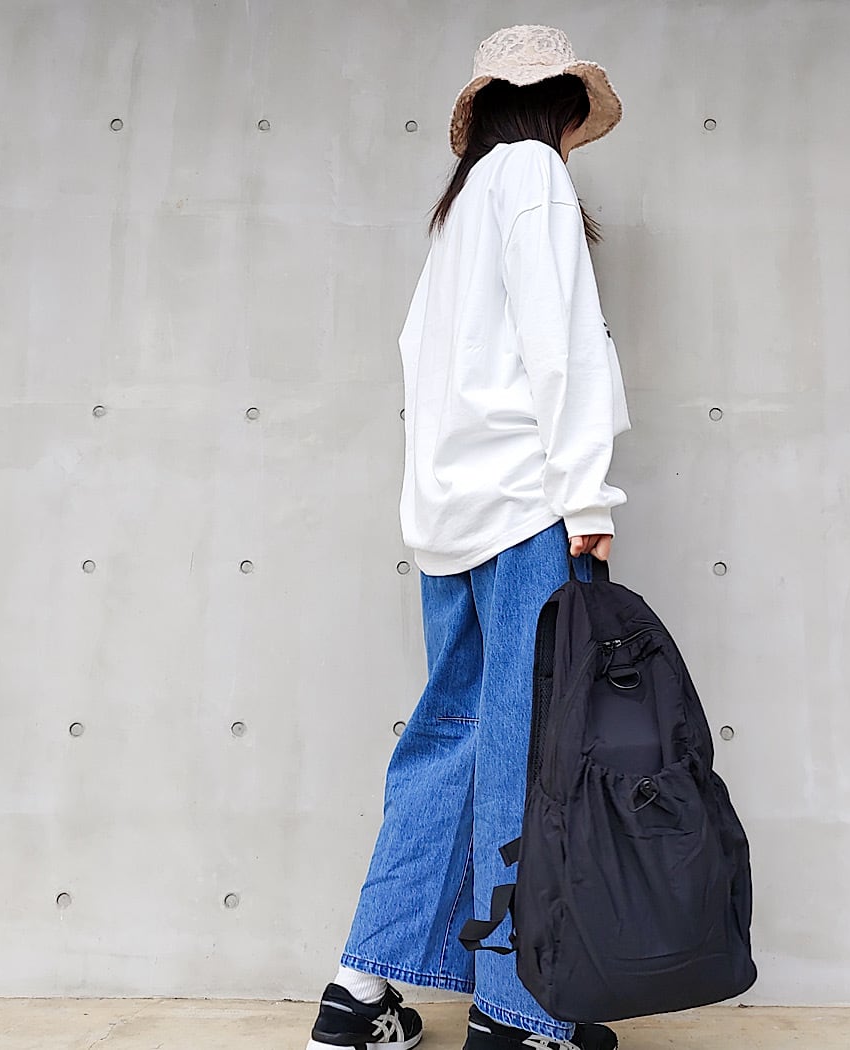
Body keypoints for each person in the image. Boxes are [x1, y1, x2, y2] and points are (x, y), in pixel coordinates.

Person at [306, 24, 632, 1050]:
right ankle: (518, 1013)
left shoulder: (460, 210)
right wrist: (587, 499)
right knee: (530, 751)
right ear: (560, 106)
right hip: (529, 512)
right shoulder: (533, 176)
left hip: (451, 522)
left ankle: (357, 995)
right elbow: (560, 347)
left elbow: (425, 367)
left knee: (447, 742)